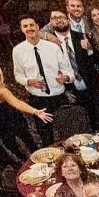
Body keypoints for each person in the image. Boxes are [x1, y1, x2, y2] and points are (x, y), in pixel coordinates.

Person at [12, 15, 74, 143]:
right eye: (25, 26)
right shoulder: (18, 51)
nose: (29, 28)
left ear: (37, 27)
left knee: (67, 132)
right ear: (21, 29)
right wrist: (28, 81)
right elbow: (18, 75)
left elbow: (69, 71)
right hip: (37, 99)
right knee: (45, 135)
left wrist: (65, 78)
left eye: (31, 25)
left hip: (58, 96)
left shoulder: (53, 48)